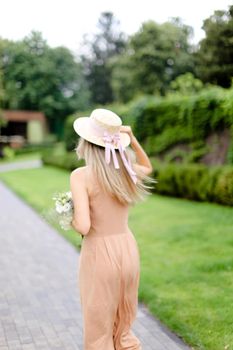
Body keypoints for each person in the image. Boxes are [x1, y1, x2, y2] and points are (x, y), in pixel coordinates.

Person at [70, 108, 156, 350]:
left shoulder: (81, 176)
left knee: (98, 327)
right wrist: (133, 138)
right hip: (127, 250)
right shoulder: (126, 171)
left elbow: (84, 226)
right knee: (123, 324)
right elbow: (147, 167)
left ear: (86, 142)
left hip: (99, 254)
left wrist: (71, 216)